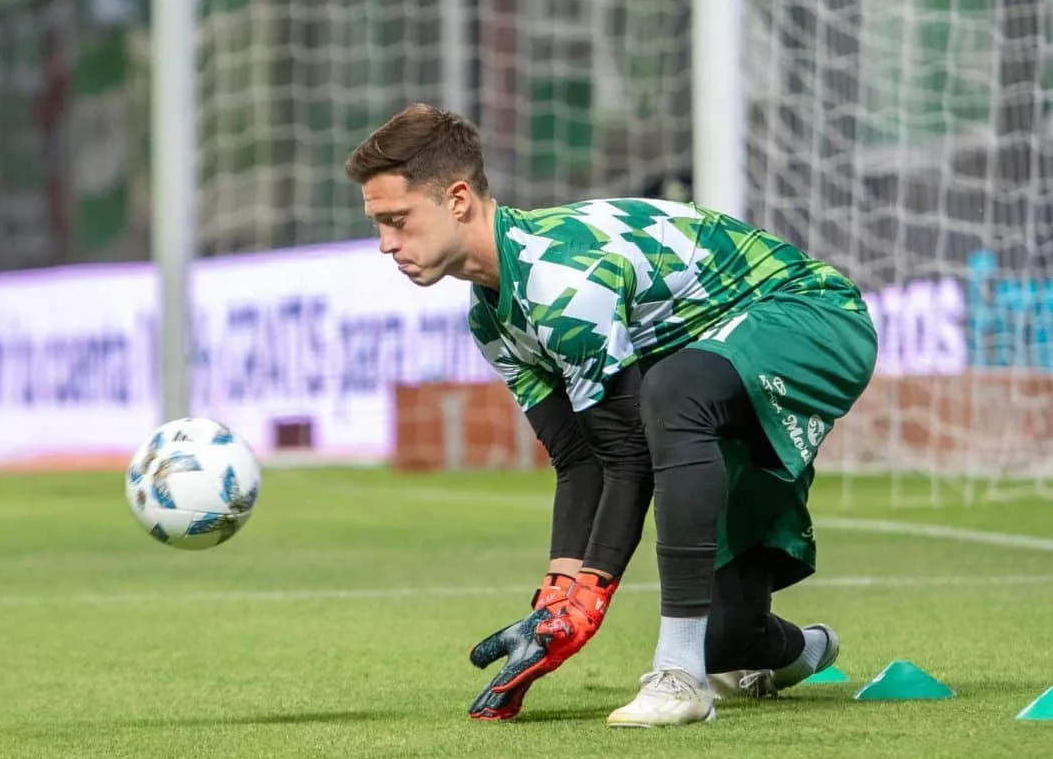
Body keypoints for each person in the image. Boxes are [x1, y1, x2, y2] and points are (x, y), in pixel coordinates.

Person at [344, 103, 877, 727]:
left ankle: (679, 681)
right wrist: (556, 602)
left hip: (811, 314)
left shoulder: (559, 282)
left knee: (672, 395)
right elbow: (580, 461)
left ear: (458, 198)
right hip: (716, 371)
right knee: (728, 638)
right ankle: (800, 650)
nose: (386, 244)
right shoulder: (491, 319)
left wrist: (587, 600)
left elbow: (629, 459)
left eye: (397, 221)